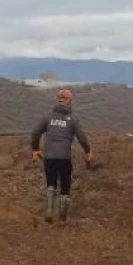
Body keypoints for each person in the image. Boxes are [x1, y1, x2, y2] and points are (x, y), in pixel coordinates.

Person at [31, 89, 92, 223]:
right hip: (64, 157)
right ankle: (63, 216)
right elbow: (82, 138)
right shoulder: (73, 119)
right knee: (65, 183)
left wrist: (35, 149)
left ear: (58, 99)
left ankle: (49, 209)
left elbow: (35, 133)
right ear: (69, 101)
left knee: (51, 182)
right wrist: (88, 151)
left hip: (49, 156)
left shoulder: (48, 117)